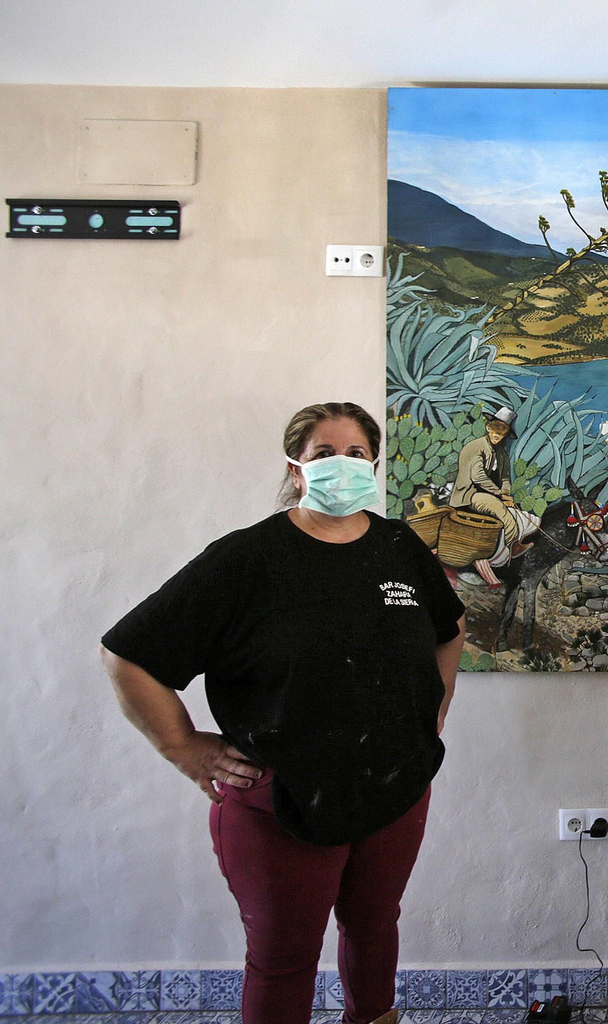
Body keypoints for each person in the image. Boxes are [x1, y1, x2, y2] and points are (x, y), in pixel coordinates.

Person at [100, 402, 466, 1024]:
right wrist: (182, 746)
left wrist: (431, 710)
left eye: (356, 453)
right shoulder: (245, 561)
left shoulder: (399, 546)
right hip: (282, 799)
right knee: (284, 958)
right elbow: (128, 656)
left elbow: (449, 630)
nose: (343, 465)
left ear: (374, 463)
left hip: (395, 787)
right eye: (325, 454)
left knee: (375, 928)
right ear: (297, 468)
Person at [451, 406, 523, 585]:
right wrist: (499, 495)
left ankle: (500, 555)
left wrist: (506, 493)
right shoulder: (476, 447)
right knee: (503, 512)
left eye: (503, 430)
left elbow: (505, 477)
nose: (498, 433)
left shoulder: (501, 453)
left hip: (490, 494)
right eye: (496, 428)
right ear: (489, 427)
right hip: (469, 494)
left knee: (515, 509)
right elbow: (478, 477)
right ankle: (513, 546)